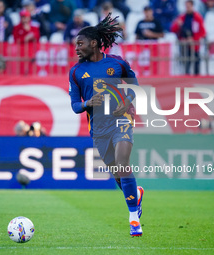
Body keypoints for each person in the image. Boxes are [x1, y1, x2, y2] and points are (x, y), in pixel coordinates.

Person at [69, 13, 144, 237]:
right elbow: (74, 105)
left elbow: (135, 87)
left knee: (123, 163)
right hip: (98, 128)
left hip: (121, 120)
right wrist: (87, 103)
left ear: (94, 43)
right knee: (118, 175)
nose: (76, 48)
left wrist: (127, 102)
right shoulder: (76, 72)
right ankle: (136, 195)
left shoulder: (117, 63)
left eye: (80, 44)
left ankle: (133, 219)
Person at [171, 0, 206, 75]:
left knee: (196, 62)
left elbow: (202, 32)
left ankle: (197, 77)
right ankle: (186, 78)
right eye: (186, 6)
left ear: (193, 6)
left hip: (194, 45)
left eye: (189, 6)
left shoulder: (197, 17)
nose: (188, 8)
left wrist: (193, 39)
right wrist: (178, 24)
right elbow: (173, 29)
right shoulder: (182, 17)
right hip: (184, 45)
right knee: (186, 64)